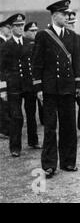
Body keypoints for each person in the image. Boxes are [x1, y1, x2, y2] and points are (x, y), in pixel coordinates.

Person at [32, 0, 80, 179]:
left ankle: (69, 162)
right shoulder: (43, 36)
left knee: (69, 127)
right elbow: (37, 63)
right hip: (50, 90)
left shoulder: (72, 36)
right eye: (63, 14)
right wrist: (38, 87)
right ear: (54, 16)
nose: (67, 16)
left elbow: (77, 62)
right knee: (50, 128)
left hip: (67, 88)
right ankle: (49, 165)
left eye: (68, 13)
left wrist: (78, 84)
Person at [0, 14, 41, 157]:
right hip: (13, 86)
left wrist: (37, 85)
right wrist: (3, 89)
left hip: (29, 85)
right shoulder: (5, 46)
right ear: (11, 28)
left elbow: (35, 65)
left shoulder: (29, 42)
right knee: (16, 116)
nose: (19, 28)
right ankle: (15, 147)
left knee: (31, 114)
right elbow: (2, 70)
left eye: (21, 25)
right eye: (17, 26)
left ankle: (33, 141)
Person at [24, 22, 44, 126]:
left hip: (40, 80)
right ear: (25, 32)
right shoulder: (23, 44)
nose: (35, 32)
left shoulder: (41, 43)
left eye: (36, 30)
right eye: (32, 31)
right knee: (30, 109)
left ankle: (43, 121)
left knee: (43, 106)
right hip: (28, 81)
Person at [0, 19, 12, 139]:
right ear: (1, 28)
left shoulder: (4, 41)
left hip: (5, 76)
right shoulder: (1, 42)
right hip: (2, 77)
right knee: (4, 104)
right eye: (7, 27)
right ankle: (4, 130)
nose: (9, 29)